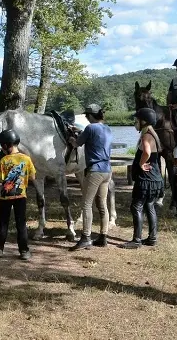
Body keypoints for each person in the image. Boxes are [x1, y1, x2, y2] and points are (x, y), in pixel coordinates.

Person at [68, 104, 112, 250]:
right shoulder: (107, 128)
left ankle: (86, 237)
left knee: (86, 204)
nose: (86, 118)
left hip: (95, 171)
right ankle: (103, 236)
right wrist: (81, 131)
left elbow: (77, 144)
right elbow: (94, 138)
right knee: (102, 204)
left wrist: (71, 138)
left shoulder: (90, 128)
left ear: (91, 116)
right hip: (107, 170)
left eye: (87, 116)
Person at [120, 108, 163, 249]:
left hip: (146, 180)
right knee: (149, 206)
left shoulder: (146, 136)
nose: (135, 123)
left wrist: (140, 163)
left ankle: (136, 240)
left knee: (136, 207)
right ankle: (152, 238)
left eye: (136, 120)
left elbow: (147, 151)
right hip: (155, 179)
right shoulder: (154, 134)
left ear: (143, 121)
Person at [0, 129, 35, 261]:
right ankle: (24, 251)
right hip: (21, 197)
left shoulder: (3, 161)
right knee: (21, 224)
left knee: (3, 223)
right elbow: (32, 176)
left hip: (6, 197)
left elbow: (2, 178)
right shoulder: (26, 159)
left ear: (5, 146)